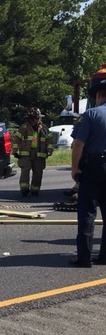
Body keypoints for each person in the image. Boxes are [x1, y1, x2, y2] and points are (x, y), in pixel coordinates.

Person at [69, 84, 106, 267]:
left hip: (93, 166)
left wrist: (74, 168)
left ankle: (85, 257)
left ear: (99, 95)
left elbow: (78, 144)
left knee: (87, 213)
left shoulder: (91, 114)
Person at [12, 107, 53, 196]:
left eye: (39, 118)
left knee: (38, 172)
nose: (39, 120)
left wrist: (49, 150)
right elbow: (16, 140)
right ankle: (24, 189)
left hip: (39, 155)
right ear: (31, 119)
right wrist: (14, 151)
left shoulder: (44, 128)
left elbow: (49, 140)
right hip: (26, 154)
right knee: (25, 171)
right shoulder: (24, 128)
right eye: (37, 118)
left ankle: (35, 190)